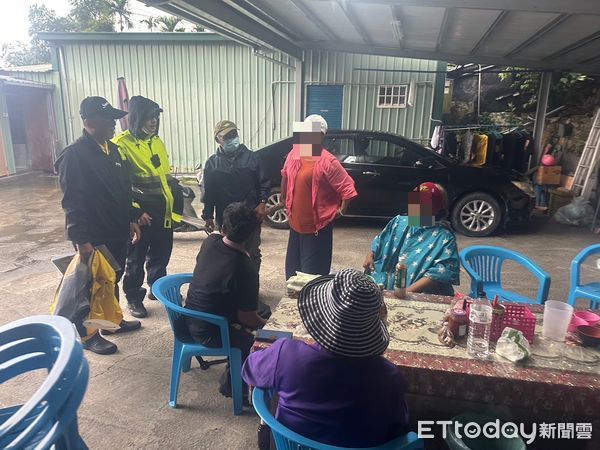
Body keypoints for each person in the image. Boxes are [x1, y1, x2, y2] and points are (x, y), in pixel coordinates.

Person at [242, 269, 410, 448]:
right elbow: (399, 427)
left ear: (320, 316)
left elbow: (249, 369)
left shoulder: (287, 354)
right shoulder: (389, 377)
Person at [55, 96, 142, 355]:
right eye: (108, 120)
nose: (114, 124)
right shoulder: (74, 155)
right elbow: (72, 202)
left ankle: (111, 321)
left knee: (112, 278)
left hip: (116, 231)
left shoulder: (112, 150)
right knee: (92, 286)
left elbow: (123, 190)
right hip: (93, 236)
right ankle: (88, 334)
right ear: (89, 121)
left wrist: (131, 219)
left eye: (115, 119)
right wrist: (81, 241)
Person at [186, 202, 268, 400]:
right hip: (211, 331)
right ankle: (234, 386)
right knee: (261, 340)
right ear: (252, 236)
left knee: (264, 310)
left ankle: (235, 376)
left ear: (222, 229)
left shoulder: (211, 242)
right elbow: (247, 317)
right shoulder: (245, 268)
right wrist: (271, 327)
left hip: (187, 317)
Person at [113, 96, 182, 318]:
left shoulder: (156, 141)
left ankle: (157, 288)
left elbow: (164, 177)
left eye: (156, 117)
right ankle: (133, 297)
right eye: (149, 117)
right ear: (136, 118)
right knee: (136, 258)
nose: (153, 121)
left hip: (163, 213)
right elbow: (122, 185)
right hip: (142, 217)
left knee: (161, 255)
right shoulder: (121, 145)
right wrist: (135, 212)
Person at [277, 115, 357, 279]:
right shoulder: (296, 153)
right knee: (292, 275)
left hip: (316, 230)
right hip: (295, 225)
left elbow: (347, 187)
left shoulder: (327, 161)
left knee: (311, 278)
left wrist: (341, 211)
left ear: (321, 136)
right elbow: (285, 173)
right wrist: (284, 195)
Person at [363, 182, 460, 296]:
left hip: (421, 294)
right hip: (388, 286)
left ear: (437, 208)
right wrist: (369, 255)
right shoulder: (399, 222)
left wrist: (406, 292)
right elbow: (380, 243)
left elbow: (441, 272)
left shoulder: (444, 237)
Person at [201, 120, 270, 272]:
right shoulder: (212, 164)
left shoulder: (253, 158)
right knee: (227, 251)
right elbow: (209, 192)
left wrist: (262, 203)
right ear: (218, 139)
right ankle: (231, 288)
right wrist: (207, 215)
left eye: (234, 134)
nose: (232, 138)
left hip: (250, 216)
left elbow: (264, 183)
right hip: (225, 218)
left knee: (251, 251)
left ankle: (250, 288)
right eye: (227, 136)